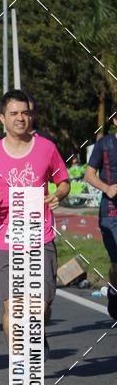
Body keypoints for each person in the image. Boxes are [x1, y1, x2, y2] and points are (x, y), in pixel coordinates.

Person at [0, 90, 70, 356]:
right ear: (3, 118)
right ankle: (20, 360)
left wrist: (57, 194)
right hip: (6, 239)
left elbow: (64, 182)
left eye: (25, 112)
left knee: (39, 309)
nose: (20, 118)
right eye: (14, 113)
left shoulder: (47, 148)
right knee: (13, 306)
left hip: (39, 237)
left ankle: (37, 331)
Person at [84, 118, 117, 319]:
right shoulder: (104, 144)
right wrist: (107, 188)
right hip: (111, 212)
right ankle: (114, 293)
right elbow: (89, 174)